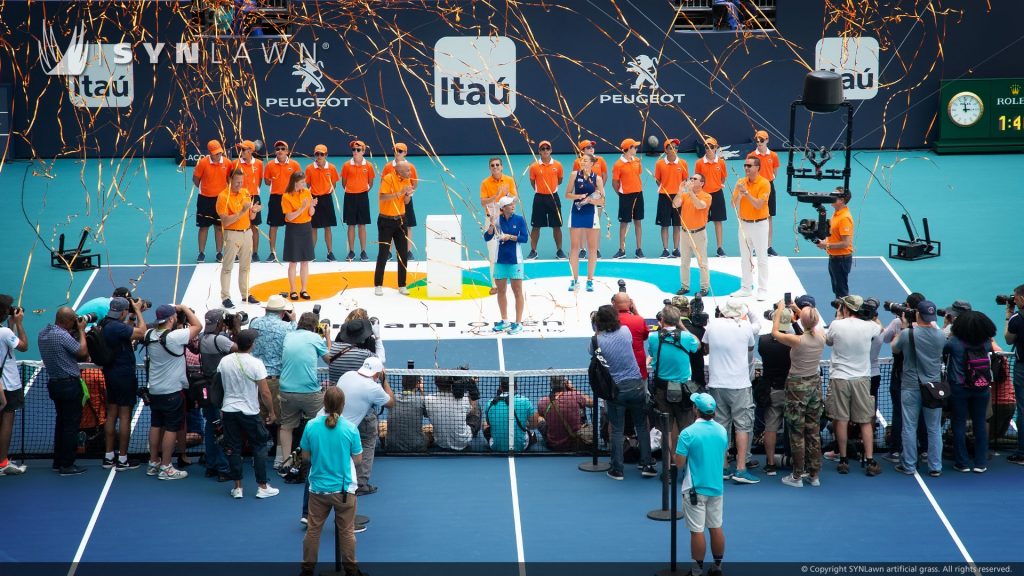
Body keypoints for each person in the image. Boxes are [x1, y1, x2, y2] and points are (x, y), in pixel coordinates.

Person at [300, 386, 363, 576]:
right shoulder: (351, 429)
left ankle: (307, 570)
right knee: (347, 532)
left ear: (324, 404)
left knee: (313, 531)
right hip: (344, 492)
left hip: (318, 491)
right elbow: (358, 460)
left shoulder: (311, 426)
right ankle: (351, 571)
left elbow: (305, 457)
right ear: (343, 405)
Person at [591, 304, 656, 480]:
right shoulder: (626, 331)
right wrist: (635, 309)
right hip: (636, 386)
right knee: (642, 426)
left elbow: (593, 353)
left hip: (616, 390)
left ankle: (617, 469)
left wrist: (597, 332)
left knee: (617, 429)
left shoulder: (596, 340)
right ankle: (647, 464)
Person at [702, 299, 759, 484]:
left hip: (717, 384)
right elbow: (750, 347)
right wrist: (748, 313)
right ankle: (741, 469)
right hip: (740, 385)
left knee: (720, 426)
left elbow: (706, 346)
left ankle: (723, 466)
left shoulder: (712, 326)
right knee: (743, 426)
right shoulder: (746, 327)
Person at [142, 304, 202, 480]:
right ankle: (166, 466)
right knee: (171, 428)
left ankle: (153, 462)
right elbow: (198, 326)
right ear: (170, 319)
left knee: (155, 425)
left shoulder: (149, 334)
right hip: (171, 391)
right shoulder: (174, 337)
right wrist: (185, 308)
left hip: (154, 390)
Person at [218, 329, 279, 499]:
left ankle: (237, 487)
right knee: (259, 447)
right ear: (251, 345)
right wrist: (272, 412)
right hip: (250, 412)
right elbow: (265, 392)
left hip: (229, 410)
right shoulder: (256, 363)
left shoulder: (224, 361)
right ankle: (262, 486)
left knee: (233, 448)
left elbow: (219, 387)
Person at [825, 295, 882, 476]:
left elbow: (828, 341)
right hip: (862, 379)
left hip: (840, 378)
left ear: (845, 308)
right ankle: (870, 459)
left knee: (840, 420)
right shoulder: (870, 326)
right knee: (865, 420)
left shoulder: (836, 325)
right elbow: (879, 327)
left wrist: (839, 317)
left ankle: (843, 459)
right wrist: (869, 315)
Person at [770, 303, 826, 488]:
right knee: (813, 431)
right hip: (814, 387)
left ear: (802, 322)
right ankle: (814, 474)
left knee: (796, 431)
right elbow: (811, 323)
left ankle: (797, 475)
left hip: (797, 387)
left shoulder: (797, 340)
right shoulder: (821, 337)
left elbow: (775, 333)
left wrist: (779, 312)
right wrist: (798, 309)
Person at [675, 392, 728, 576]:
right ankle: (717, 567)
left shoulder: (687, 433)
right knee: (716, 527)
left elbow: (679, 463)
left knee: (697, 531)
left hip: (694, 490)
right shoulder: (722, 431)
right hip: (716, 488)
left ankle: (696, 571)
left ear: (695, 409)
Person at [891, 301, 945, 477]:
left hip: (911, 386)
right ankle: (935, 466)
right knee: (934, 428)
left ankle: (909, 465)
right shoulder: (940, 335)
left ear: (917, 315)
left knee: (909, 427)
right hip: (933, 387)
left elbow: (895, 348)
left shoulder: (907, 334)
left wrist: (906, 327)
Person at [38, 307, 89, 475]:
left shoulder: (43, 333)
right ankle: (67, 464)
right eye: (73, 320)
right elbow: (82, 352)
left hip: (55, 384)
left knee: (61, 423)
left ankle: (58, 460)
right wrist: (81, 331)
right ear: (66, 321)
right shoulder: (62, 335)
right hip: (69, 385)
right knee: (70, 426)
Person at [946, 310, 998, 473]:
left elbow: (942, 348)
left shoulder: (954, 343)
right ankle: (980, 462)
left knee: (959, 423)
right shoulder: (986, 344)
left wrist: (948, 327)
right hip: (981, 388)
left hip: (959, 388)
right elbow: (992, 344)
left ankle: (962, 462)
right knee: (980, 423)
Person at [278, 312, 331, 472]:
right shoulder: (315, 338)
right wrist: (327, 337)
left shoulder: (289, 336)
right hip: (309, 392)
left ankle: (286, 463)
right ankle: (320, 461)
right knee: (322, 424)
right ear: (315, 327)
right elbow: (329, 359)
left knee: (286, 427)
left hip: (286, 390)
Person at [99, 297, 147, 471]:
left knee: (112, 413)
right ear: (123, 311)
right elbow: (141, 332)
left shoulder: (105, 323)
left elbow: (126, 329)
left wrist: (132, 316)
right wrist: (139, 311)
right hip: (124, 375)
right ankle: (123, 459)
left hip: (110, 373)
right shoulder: (117, 327)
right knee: (125, 415)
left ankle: (109, 456)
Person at [338, 356, 395, 495]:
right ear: (377, 374)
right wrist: (384, 380)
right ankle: (361, 484)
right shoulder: (373, 388)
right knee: (368, 442)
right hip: (351, 428)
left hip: (333, 423)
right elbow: (391, 403)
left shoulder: (347, 375)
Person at [250, 294, 295, 468]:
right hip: (275, 380)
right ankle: (278, 459)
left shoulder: (255, 323)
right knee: (281, 421)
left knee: (258, 420)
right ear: (283, 312)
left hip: (254, 379)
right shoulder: (287, 327)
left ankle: (257, 457)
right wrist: (294, 320)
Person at [648, 305, 701, 453]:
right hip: (683, 390)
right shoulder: (686, 337)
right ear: (677, 320)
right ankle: (686, 466)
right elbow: (697, 346)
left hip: (662, 389)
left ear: (662, 319)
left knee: (666, 430)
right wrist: (682, 326)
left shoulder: (653, 338)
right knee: (687, 429)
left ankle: (668, 466)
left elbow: (652, 354)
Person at [197, 309, 238, 481]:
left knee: (210, 426)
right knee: (222, 428)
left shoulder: (202, 338)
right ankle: (223, 468)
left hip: (206, 387)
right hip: (221, 388)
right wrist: (236, 329)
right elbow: (240, 348)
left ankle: (211, 465)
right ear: (220, 323)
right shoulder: (220, 340)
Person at [755, 305, 793, 476]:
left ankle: (770, 463)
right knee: (795, 427)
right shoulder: (794, 342)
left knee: (770, 427)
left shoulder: (763, 341)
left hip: (772, 389)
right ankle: (795, 460)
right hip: (791, 390)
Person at [217, 168, 262, 308]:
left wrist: (253, 211)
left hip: (247, 232)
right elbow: (225, 222)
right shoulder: (223, 197)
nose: (239, 185)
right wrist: (242, 211)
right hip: (232, 234)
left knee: (245, 266)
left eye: (241, 182)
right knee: (227, 267)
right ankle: (225, 297)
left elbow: (250, 217)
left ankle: (245, 294)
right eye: (237, 182)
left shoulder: (245, 192)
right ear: (229, 180)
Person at [485, 196, 529, 335]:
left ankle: (518, 323)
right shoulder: (497, 220)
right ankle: (504, 321)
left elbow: (525, 238)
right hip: (500, 261)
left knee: (517, 292)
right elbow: (487, 237)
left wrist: (510, 237)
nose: (513, 206)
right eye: (510, 204)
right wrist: (491, 226)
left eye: (513, 203)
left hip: (515, 261)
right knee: (501, 291)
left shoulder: (520, 219)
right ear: (503, 208)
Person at [730, 156, 771, 300]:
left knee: (761, 258)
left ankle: (762, 289)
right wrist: (740, 195)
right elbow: (733, 204)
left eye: (749, 166)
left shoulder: (764, 183)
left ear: (757, 168)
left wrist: (746, 193)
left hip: (759, 224)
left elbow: (759, 205)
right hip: (744, 224)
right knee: (745, 257)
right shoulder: (740, 182)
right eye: (745, 165)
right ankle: (746, 287)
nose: (746, 168)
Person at [565, 152, 605, 292]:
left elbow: (602, 200)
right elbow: (567, 194)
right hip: (576, 213)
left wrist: (591, 200)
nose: (583, 162)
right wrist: (579, 196)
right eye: (582, 160)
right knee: (574, 247)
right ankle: (574, 279)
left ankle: (589, 280)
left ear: (592, 163)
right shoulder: (574, 175)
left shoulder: (598, 179)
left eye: (586, 160)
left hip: (591, 214)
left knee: (592, 249)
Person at [374, 160, 414, 296]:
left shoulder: (407, 180)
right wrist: (399, 192)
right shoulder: (388, 178)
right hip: (386, 220)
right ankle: (378, 284)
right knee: (383, 253)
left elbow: (406, 201)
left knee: (403, 253)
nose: (410, 172)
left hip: (401, 220)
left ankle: (402, 285)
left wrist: (407, 194)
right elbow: (382, 197)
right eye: (407, 170)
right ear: (399, 171)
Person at [480, 157, 518, 294]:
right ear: (490, 168)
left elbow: (516, 199)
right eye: (492, 165)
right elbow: (483, 202)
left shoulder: (509, 180)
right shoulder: (485, 183)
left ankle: (510, 280)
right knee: (492, 253)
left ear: (502, 167)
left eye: (497, 165)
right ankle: (495, 284)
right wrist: (495, 195)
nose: (495, 167)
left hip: (507, 220)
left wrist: (508, 194)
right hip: (491, 220)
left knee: (509, 250)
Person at [0, 296, 27, 475]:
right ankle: (3, 463)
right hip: (8, 385)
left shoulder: (4, 332)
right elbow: (23, 346)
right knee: (6, 423)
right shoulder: (5, 333)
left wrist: (10, 324)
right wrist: (19, 324)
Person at [263, 140, 302, 262]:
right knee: (273, 226)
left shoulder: (295, 164)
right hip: (276, 199)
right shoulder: (270, 165)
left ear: (287, 151)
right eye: (278, 149)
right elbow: (267, 181)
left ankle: (294, 252)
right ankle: (272, 253)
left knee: (293, 226)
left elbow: (299, 181)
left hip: (290, 198)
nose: (280, 151)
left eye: (282, 148)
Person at [673, 173, 712, 296]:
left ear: (701, 183)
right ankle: (685, 286)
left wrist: (690, 193)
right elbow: (675, 204)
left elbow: (700, 206)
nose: (691, 180)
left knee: (702, 262)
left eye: (695, 179)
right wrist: (680, 192)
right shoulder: (685, 195)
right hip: (685, 233)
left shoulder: (707, 196)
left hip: (699, 233)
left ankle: (704, 287)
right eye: (691, 178)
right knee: (684, 262)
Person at [526, 140, 565, 260]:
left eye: (547, 148)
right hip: (539, 198)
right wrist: (541, 190)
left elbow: (560, 180)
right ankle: (533, 251)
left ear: (551, 150)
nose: (545, 151)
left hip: (553, 198)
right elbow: (533, 182)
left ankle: (559, 250)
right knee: (536, 226)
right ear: (539, 152)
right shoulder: (534, 167)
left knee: (557, 225)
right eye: (542, 149)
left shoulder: (558, 165)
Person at [193, 139, 230, 263]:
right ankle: (201, 253)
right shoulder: (202, 163)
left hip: (221, 200)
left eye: (219, 152)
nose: (218, 154)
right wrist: (205, 189)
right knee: (203, 227)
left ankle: (219, 253)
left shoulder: (227, 163)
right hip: (204, 199)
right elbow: (196, 179)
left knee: (219, 227)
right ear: (210, 153)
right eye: (215, 153)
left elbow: (229, 179)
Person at [381, 143, 419, 260]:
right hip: (392, 202)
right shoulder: (388, 167)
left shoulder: (411, 167)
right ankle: (388, 252)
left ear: (405, 153)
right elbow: (383, 184)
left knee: (407, 226)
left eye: (400, 151)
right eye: (396, 150)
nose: (397, 153)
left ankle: (407, 251)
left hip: (406, 200)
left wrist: (408, 193)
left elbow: (415, 183)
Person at [281, 172, 316, 300]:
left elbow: (311, 213)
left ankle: (304, 289)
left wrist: (311, 206)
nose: (304, 184)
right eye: (302, 182)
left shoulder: (307, 192)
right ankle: (293, 290)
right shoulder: (286, 196)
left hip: (306, 227)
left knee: (305, 261)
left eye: (304, 182)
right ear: (295, 182)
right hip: (293, 229)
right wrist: (301, 208)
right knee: (293, 261)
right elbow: (289, 217)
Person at [815, 187, 854, 298]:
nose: (831, 197)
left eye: (834, 195)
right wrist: (825, 241)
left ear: (841, 200)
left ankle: (844, 314)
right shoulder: (836, 213)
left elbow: (846, 243)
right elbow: (834, 235)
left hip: (841, 260)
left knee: (841, 293)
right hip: (834, 258)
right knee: (837, 290)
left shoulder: (844, 218)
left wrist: (826, 245)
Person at [536, 375, 593, 451]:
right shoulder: (575, 395)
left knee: (539, 417)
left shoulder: (542, 401)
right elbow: (592, 403)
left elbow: (539, 420)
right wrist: (572, 388)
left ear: (550, 385)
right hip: (575, 444)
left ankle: (553, 436)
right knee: (581, 408)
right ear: (565, 384)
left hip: (554, 445)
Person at [747, 130, 781, 256]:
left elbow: (774, 173)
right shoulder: (751, 155)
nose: (759, 142)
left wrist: (767, 182)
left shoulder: (773, 156)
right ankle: (755, 247)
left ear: (767, 140)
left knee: (768, 217)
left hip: (769, 187)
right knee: (755, 216)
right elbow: (748, 171)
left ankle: (768, 246)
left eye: (762, 140)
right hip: (755, 187)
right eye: (757, 140)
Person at [693, 136, 728, 257]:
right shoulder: (699, 163)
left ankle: (720, 248)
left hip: (717, 194)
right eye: (706, 147)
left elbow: (723, 177)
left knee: (718, 221)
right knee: (702, 222)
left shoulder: (721, 162)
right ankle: (701, 247)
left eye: (711, 147)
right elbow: (697, 179)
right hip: (703, 195)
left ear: (716, 148)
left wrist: (717, 185)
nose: (708, 149)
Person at [572, 139, 607, 259]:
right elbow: (576, 178)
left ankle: (596, 249)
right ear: (582, 151)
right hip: (583, 194)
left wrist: (598, 190)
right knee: (582, 223)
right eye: (588, 147)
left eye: (592, 146)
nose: (591, 148)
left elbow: (604, 175)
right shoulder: (577, 162)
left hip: (597, 194)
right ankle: (582, 249)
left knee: (596, 222)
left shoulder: (600, 160)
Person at [342, 140, 376, 262]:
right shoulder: (346, 165)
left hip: (363, 197)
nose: (355, 152)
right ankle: (351, 251)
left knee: (362, 225)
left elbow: (370, 183)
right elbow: (343, 183)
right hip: (349, 197)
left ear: (363, 151)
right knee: (351, 225)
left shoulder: (369, 166)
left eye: (358, 150)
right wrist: (352, 189)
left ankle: (363, 251)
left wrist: (362, 189)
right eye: (354, 150)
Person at [655, 138, 689, 258]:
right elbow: (657, 180)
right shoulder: (660, 164)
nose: (674, 150)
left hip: (678, 197)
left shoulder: (683, 163)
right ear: (666, 150)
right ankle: (665, 249)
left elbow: (685, 179)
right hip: (664, 197)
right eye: (671, 148)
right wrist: (665, 189)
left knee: (677, 225)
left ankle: (676, 249)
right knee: (664, 225)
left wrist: (679, 191)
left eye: (676, 147)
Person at [306, 144, 340, 261]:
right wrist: (313, 196)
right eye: (317, 154)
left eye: (322, 154)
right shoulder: (309, 168)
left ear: (326, 155)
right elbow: (308, 185)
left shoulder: (332, 168)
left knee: (327, 227)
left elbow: (334, 184)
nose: (319, 156)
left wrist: (327, 192)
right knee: (313, 227)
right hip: (313, 199)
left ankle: (330, 253)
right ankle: (311, 253)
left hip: (327, 199)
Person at [611, 138, 644, 259]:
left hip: (638, 194)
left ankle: (639, 249)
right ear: (629, 149)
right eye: (634, 147)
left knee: (638, 222)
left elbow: (637, 175)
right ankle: (622, 249)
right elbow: (614, 182)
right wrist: (621, 194)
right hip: (625, 196)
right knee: (624, 223)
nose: (636, 149)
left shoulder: (637, 161)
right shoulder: (618, 164)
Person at [232, 140, 264, 261]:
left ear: (250, 151)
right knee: (238, 227)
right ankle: (237, 253)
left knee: (254, 227)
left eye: (243, 150)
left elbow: (259, 182)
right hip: (239, 198)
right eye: (240, 149)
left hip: (254, 198)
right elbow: (230, 180)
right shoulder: (235, 163)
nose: (241, 152)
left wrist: (252, 193)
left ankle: (255, 253)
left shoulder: (259, 164)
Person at [1003, 285, 1024, 465]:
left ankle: (1022, 452)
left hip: (1022, 368)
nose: (1014, 301)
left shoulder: (1017, 319)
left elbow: (1008, 339)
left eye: (1016, 299)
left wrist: (1008, 315)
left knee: (1023, 410)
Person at [425, 376, 474, 451]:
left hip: (440, 443)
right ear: (452, 383)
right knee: (476, 408)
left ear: (435, 383)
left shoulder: (428, 400)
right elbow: (471, 412)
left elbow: (426, 413)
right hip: (463, 442)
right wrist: (472, 391)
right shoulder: (464, 399)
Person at [612, 292, 650, 382]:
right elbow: (645, 336)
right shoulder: (639, 320)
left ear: (613, 304)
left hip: (617, 366)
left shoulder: (609, 321)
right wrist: (636, 313)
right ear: (630, 303)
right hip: (638, 366)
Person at [388, 375, 428, 452]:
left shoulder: (392, 398)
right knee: (428, 432)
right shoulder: (421, 400)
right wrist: (422, 391)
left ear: (402, 383)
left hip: (392, 446)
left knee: (382, 425)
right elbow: (427, 414)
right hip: (416, 447)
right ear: (418, 384)